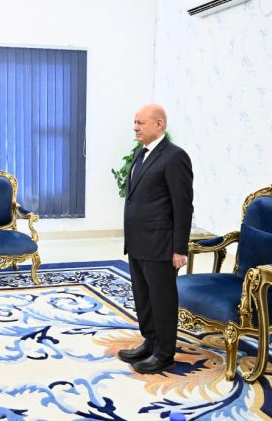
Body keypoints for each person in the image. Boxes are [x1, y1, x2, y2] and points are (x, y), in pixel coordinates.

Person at [119, 103, 193, 374]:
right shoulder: (141, 154)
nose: (135, 128)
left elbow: (183, 206)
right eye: (135, 122)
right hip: (138, 242)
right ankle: (150, 341)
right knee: (143, 297)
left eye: (140, 123)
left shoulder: (175, 157)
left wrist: (179, 248)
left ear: (159, 124)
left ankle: (164, 353)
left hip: (160, 244)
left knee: (162, 300)